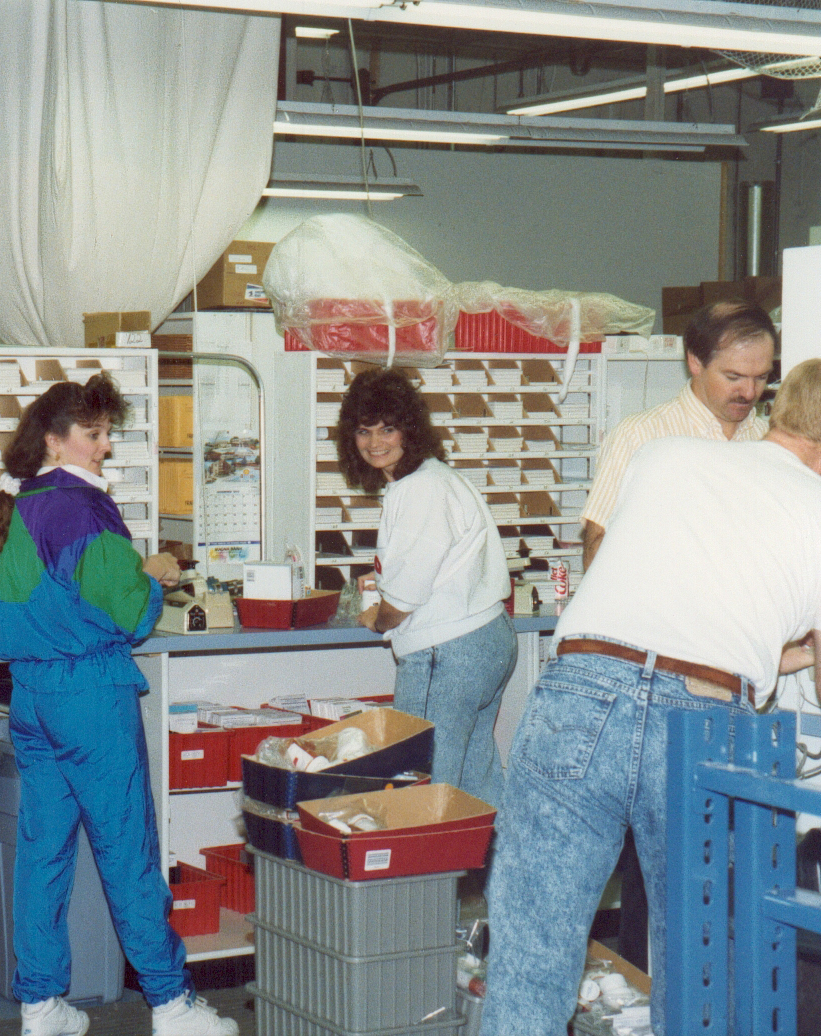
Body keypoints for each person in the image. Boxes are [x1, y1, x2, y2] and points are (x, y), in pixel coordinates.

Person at [480, 359, 821, 1036]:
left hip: (580, 684)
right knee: (696, 959)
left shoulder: (665, 454)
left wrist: (768, 656)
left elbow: (676, 597)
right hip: (699, 717)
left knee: (531, 952)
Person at [0, 374, 236, 1036]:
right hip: (89, 695)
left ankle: (41, 1005)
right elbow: (126, 615)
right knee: (126, 851)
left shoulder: (22, 504)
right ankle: (172, 1004)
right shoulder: (77, 507)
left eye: (106, 435)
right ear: (54, 439)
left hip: (32, 698)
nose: (103, 448)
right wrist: (151, 576)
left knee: (42, 855)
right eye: (92, 435)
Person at [338, 367, 515, 805]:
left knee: (417, 785)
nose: (375, 443)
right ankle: (503, 870)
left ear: (408, 430)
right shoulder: (436, 478)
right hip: (487, 641)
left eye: (387, 429)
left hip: (448, 654)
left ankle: (424, 875)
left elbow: (402, 602)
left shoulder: (419, 490)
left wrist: (378, 616)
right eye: (363, 431)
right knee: (476, 782)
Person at [579, 299, 774, 569]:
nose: (750, 392)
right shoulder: (639, 437)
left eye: (762, 377)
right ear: (695, 362)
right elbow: (598, 550)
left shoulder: (771, 443)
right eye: (733, 377)